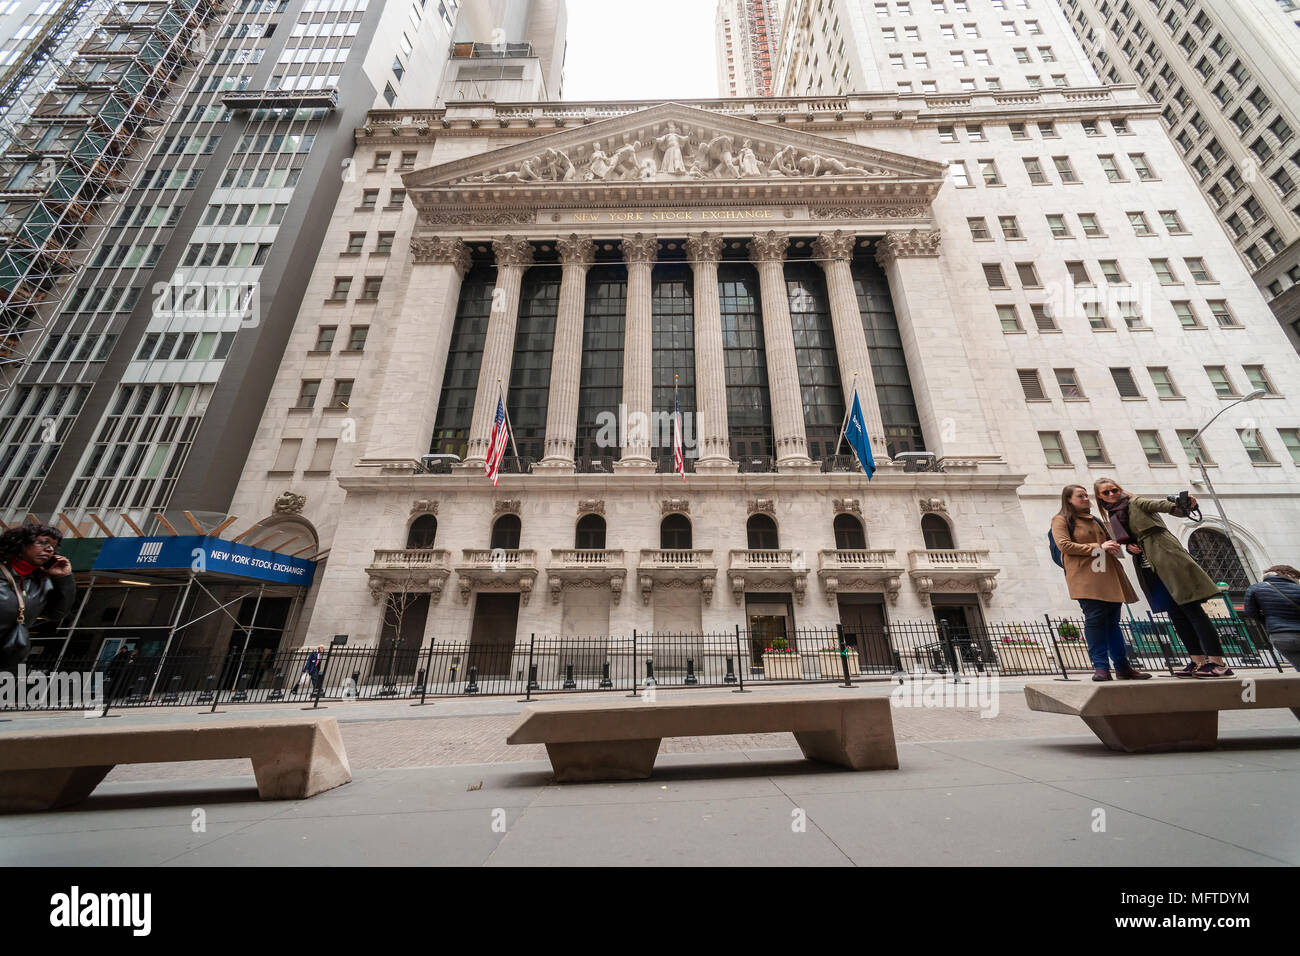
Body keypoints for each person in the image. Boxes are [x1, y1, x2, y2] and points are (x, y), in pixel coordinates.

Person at [1094, 478, 1233, 678]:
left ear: (1120, 489)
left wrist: (1184, 504)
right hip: (1148, 564)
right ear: (1099, 496)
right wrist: (1130, 546)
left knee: (1192, 611)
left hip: (1166, 557)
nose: (1111, 494)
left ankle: (1218, 663)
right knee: (1177, 615)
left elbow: (1163, 506)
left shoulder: (1135, 502)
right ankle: (1197, 661)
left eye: (1113, 490)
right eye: (1105, 493)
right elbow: (1130, 537)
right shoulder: (1115, 513)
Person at [1051, 485, 1151, 681]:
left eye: (1086, 496)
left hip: (1107, 573)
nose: (1086, 499)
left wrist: (1114, 545)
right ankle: (1101, 667)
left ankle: (1122, 667)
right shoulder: (1061, 519)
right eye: (1080, 496)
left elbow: (1106, 542)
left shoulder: (1095, 519)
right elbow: (1064, 545)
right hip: (1085, 577)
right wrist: (1099, 546)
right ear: (1069, 500)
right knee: (1095, 620)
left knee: (1113, 623)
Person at [0, 523, 76, 669]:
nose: (49, 549)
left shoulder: (39, 581)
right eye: (43, 542)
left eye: (54, 546)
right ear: (21, 543)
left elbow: (56, 613)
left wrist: (64, 578)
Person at [1243, 565, 1300, 672]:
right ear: (1290, 575)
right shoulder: (1297, 588)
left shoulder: (1255, 588)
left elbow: (1250, 612)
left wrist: (1268, 621)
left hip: (1280, 635)